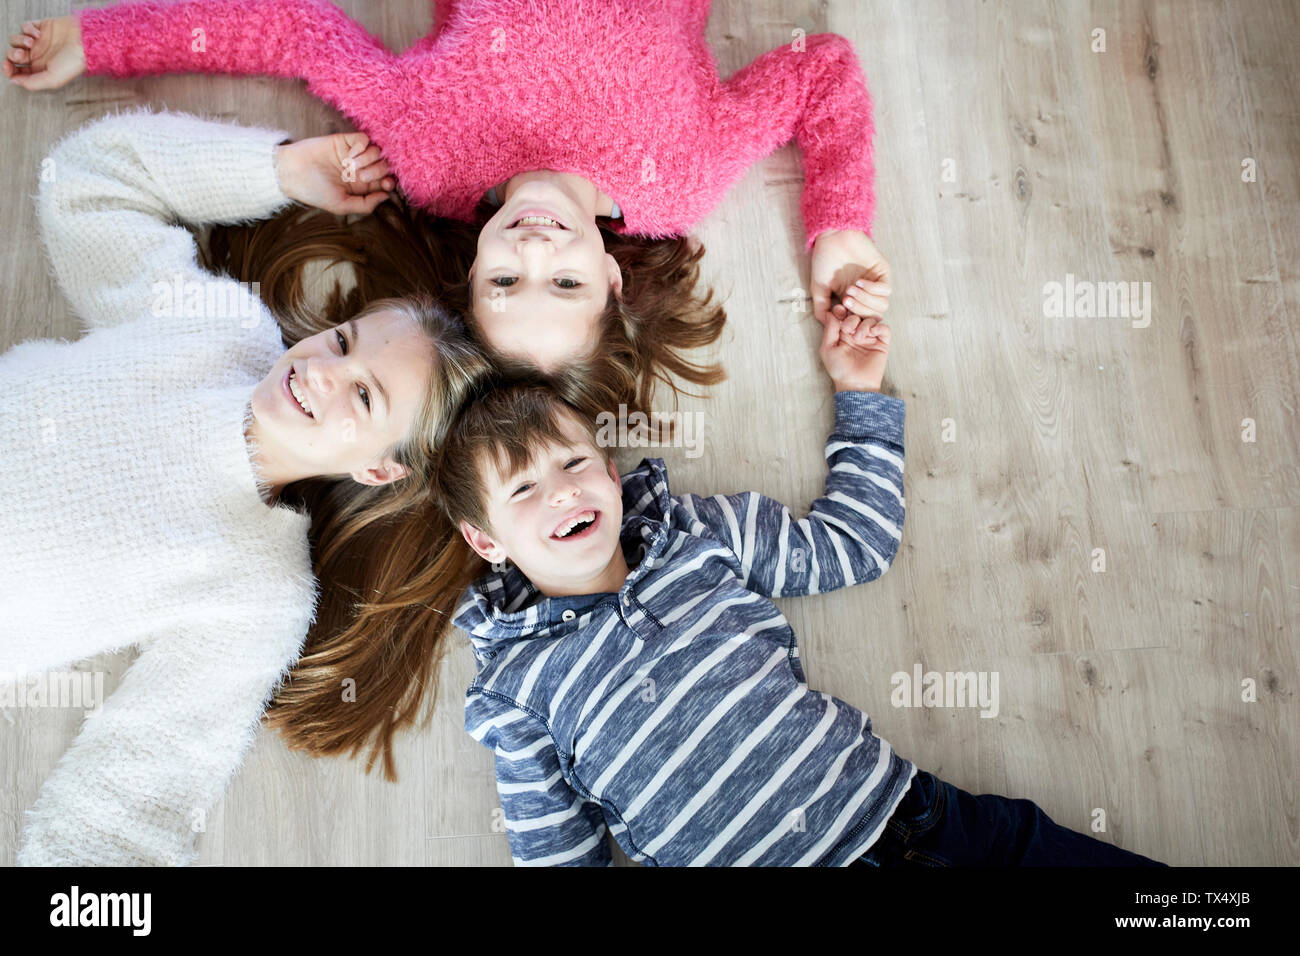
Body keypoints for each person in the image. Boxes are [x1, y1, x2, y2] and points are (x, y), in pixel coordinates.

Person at [429, 315, 1164, 865]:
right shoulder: (516, 686)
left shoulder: (697, 536)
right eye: (524, 488)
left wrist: (860, 390)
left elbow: (852, 545)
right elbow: (558, 857)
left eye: (574, 463)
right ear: (485, 541)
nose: (563, 494)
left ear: (612, 474)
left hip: (918, 826)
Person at [1, 108, 488, 865]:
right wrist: (281, 170)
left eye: (363, 397)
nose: (320, 371)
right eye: (343, 341)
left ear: (378, 468)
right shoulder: (219, 330)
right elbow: (87, 182)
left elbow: (134, 795)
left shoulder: (257, 596)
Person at [6, 2, 890, 388]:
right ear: (615, 281)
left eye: (505, 283)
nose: (535, 251)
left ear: (470, 273)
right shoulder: (685, 175)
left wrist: (104, 40)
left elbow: (302, 34)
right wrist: (840, 230)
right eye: (567, 284)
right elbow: (823, 75)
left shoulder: (428, 153)